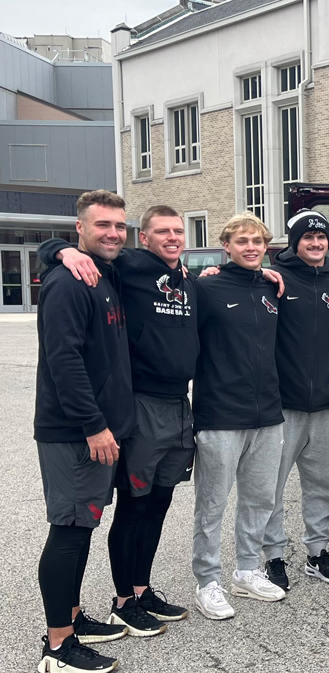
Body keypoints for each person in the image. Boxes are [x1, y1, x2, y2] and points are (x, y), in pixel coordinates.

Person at [40, 205, 200, 639]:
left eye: (178, 231)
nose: (172, 237)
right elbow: (64, 355)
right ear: (143, 238)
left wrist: (264, 274)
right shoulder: (113, 267)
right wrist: (58, 251)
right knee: (117, 511)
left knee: (156, 505)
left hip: (176, 407)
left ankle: (136, 592)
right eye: (161, 231)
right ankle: (112, 608)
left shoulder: (185, 278)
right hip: (129, 410)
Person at [35, 190, 133, 673]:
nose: (113, 233)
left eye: (119, 225)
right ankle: (57, 648)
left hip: (97, 429)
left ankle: (71, 617)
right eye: (102, 226)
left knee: (82, 527)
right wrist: (94, 426)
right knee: (68, 532)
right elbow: (64, 360)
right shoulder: (68, 281)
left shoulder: (105, 273)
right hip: (74, 431)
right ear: (81, 228)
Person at [192, 214, 286, 619]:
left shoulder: (271, 286)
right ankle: (207, 581)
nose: (251, 247)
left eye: (258, 241)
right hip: (220, 415)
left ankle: (246, 571)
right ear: (225, 245)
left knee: (259, 499)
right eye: (241, 241)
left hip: (267, 414)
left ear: (266, 247)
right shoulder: (206, 287)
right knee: (212, 504)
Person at [260, 210, 329, 590]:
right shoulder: (274, 280)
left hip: (327, 405)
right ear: (294, 241)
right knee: (272, 485)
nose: (316, 243)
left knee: (323, 486)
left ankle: (317, 553)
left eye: (322, 238)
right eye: (308, 238)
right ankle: (274, 556)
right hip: (283, 404)